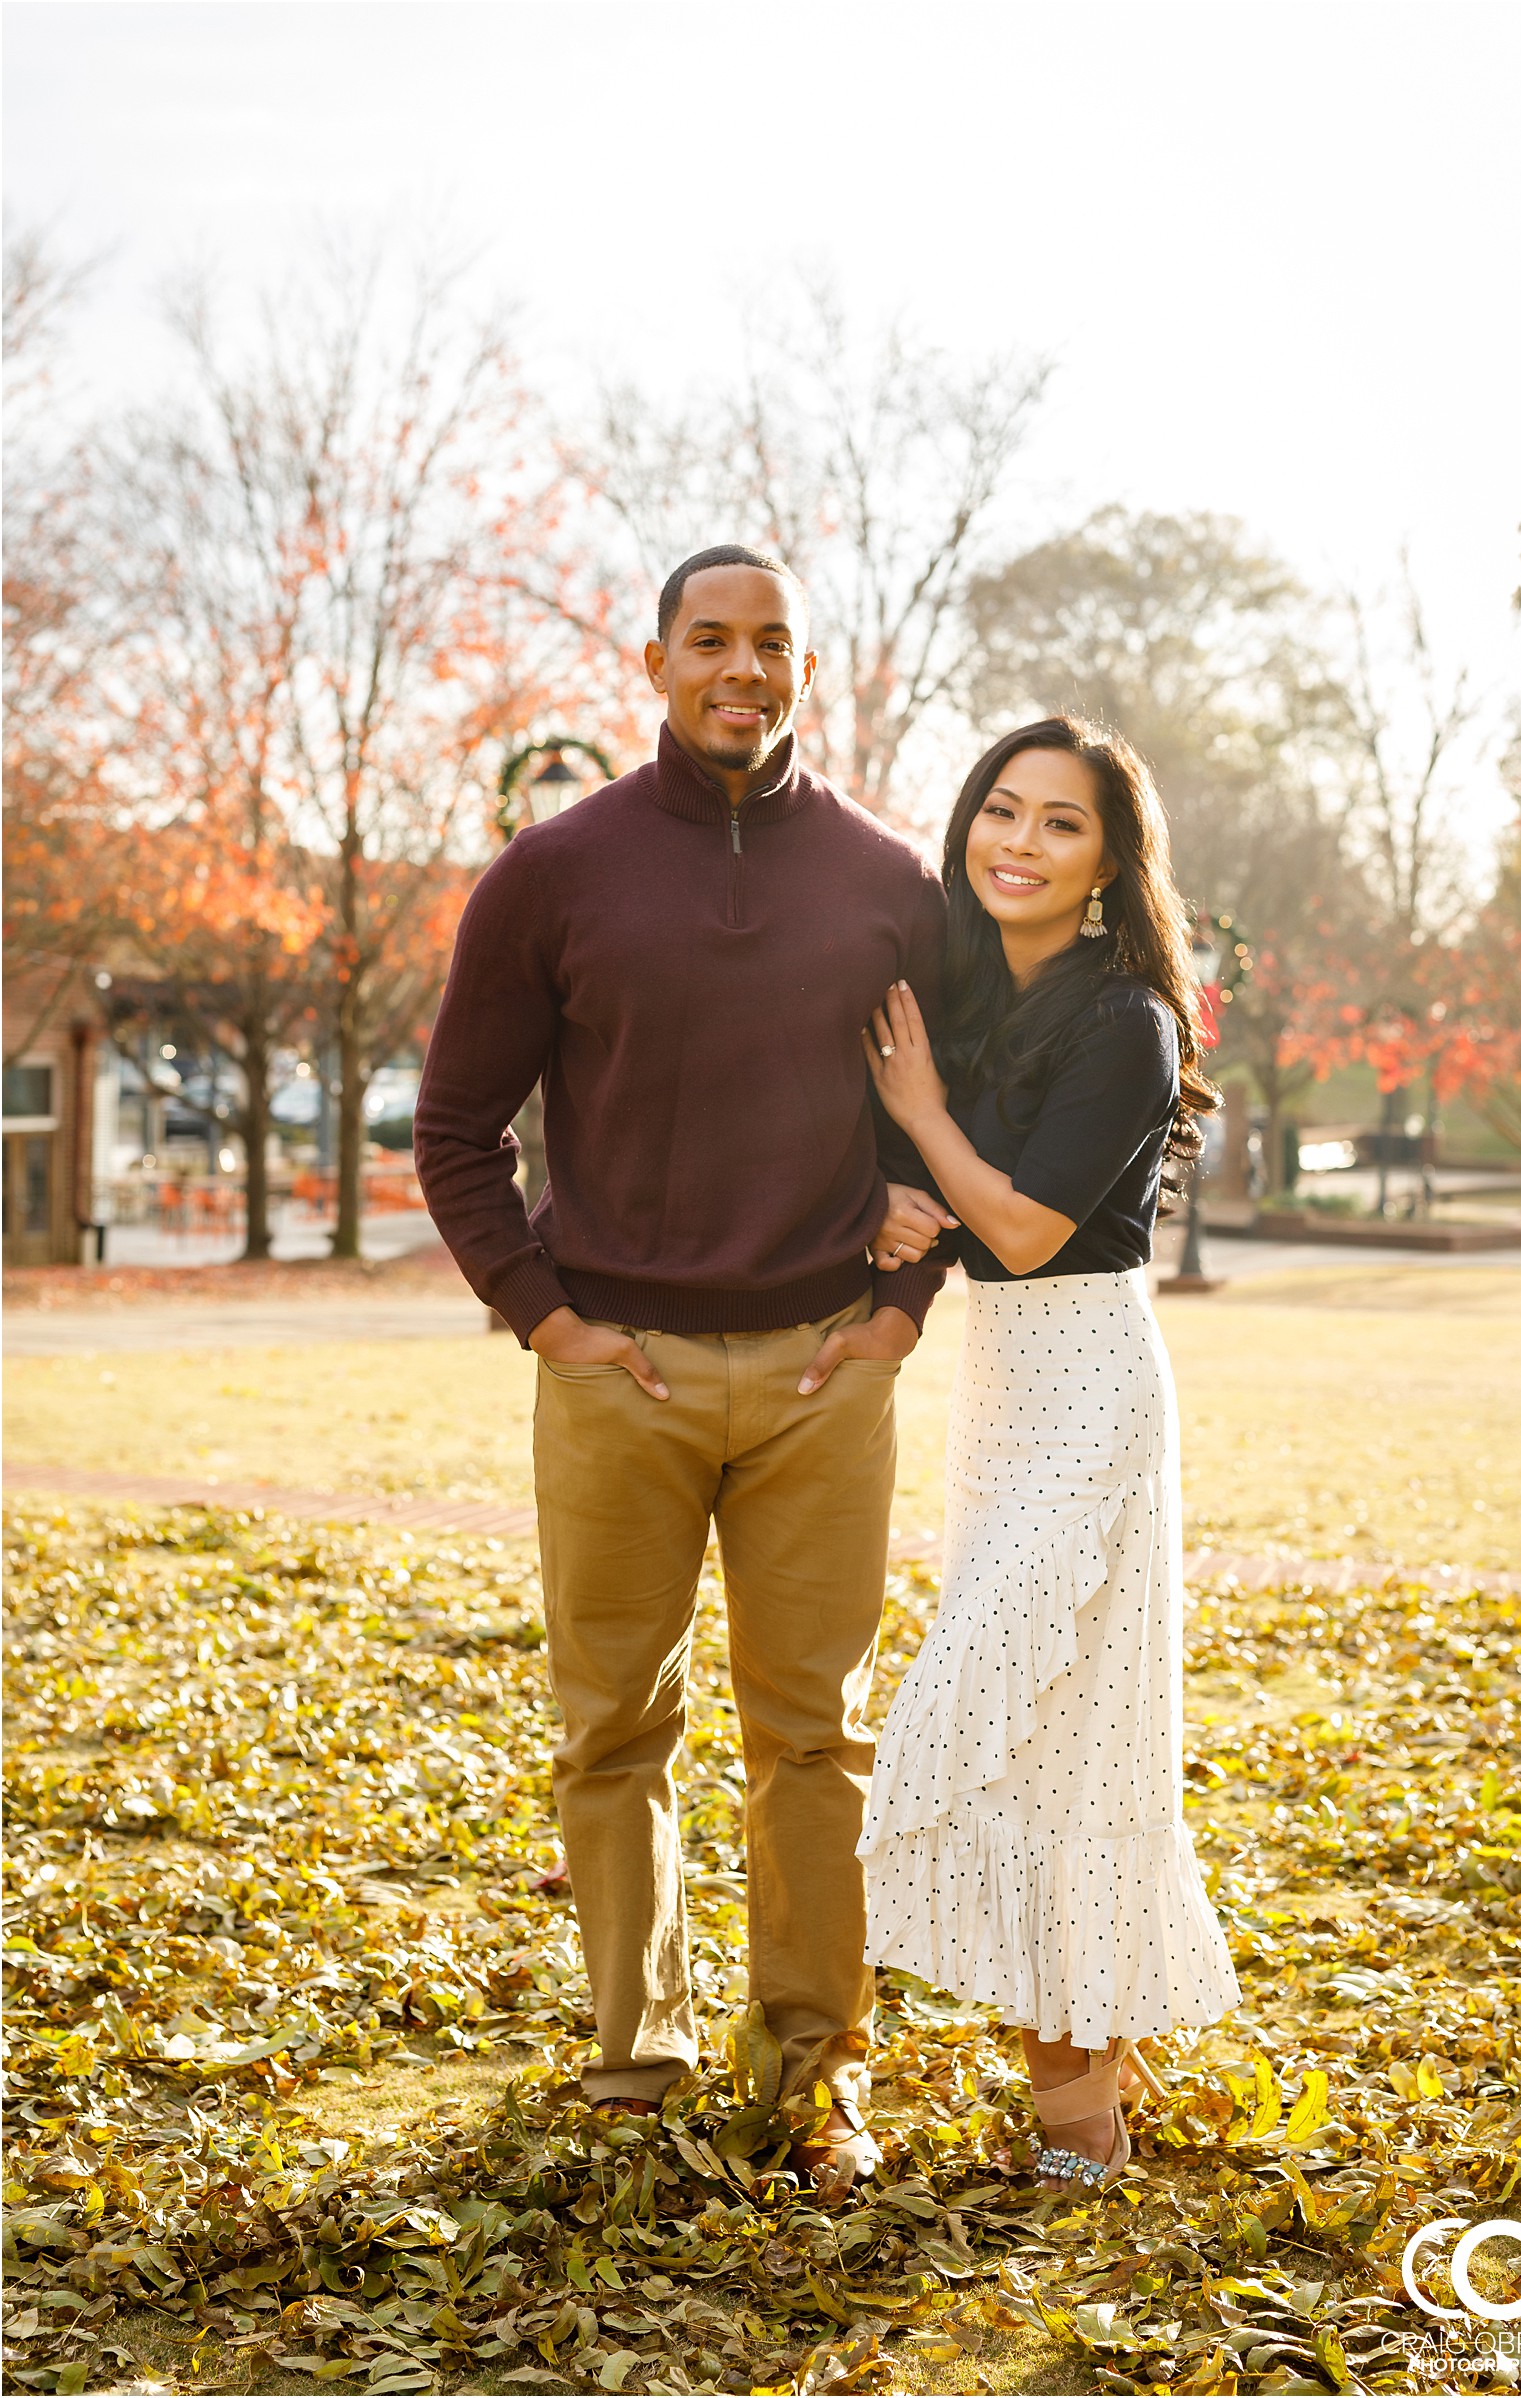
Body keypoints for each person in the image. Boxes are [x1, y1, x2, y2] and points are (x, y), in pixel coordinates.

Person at [413, 544, 954, 2204]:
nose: (743, 665)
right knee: (613, 1731)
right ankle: (634, 2061)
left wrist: (897, 1314)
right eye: (710, 639)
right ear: (653, 662)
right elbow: (456, 1129)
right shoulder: (554, 872)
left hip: (818, 1379)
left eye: (771, 641)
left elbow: (950, 1125)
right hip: (613, 1376)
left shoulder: (884, 882)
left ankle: (812, 2077)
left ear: (804, 665)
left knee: (816, 1739)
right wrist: (550, 1320)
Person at [857, 716, 1240, 2196]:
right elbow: (937, 1200)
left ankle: (1080, 2076)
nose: (1017, 841)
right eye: (998, 811)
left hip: (1091, 1387)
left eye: (1059, 823)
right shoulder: (956, 998)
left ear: (1108, 859)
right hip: (996, 1391)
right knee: (1040, 1738)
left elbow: (1017, 1226)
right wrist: (897, 1192)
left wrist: (923, 1131)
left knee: (1022, 1723)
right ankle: (1081, 2066)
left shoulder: (1132, 1017)